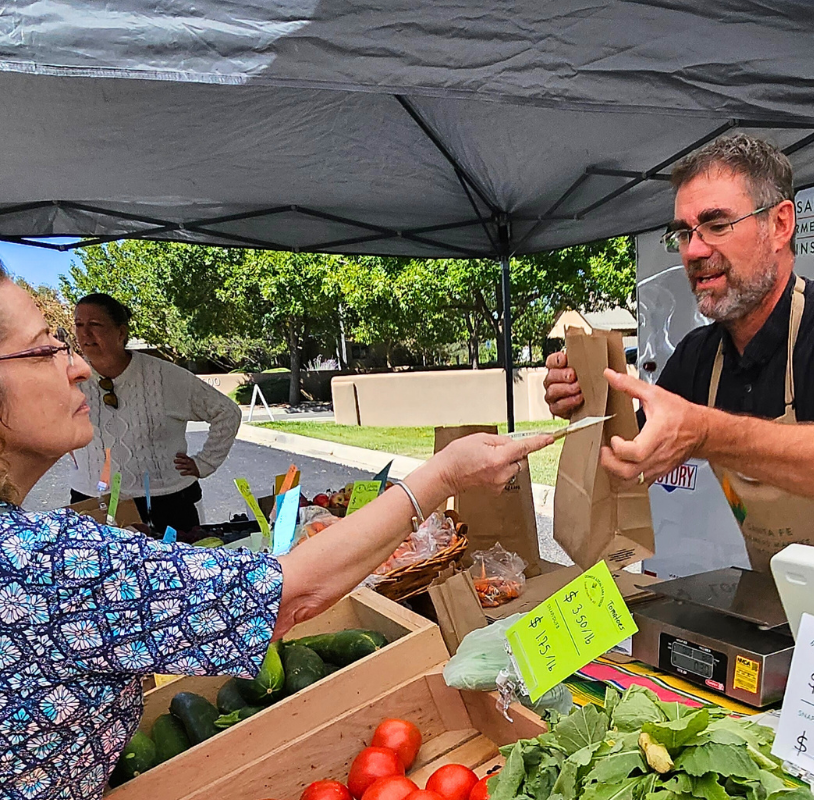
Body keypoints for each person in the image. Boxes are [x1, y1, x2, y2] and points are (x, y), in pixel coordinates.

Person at [0, 267, 551, 799]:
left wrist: (202, 463)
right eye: (45, 347)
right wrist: (444, 475)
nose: (75, 364)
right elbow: (287, 596)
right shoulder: (43, 561)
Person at [544, 133, 814, 572]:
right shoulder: (698, 358)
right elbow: (632, 458)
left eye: (717, 225)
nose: (695, 251)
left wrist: (707, 432)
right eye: (684, 233)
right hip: (785, 608)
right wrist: (587, 399)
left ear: (780, 225)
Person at [71, 293, 242, 533]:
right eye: (79, 325)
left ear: (121, 332)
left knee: (175, 570)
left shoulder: (164, 377)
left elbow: (227, 412)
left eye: (95, 325)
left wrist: (204, 463)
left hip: (167, 502)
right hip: (92, 501)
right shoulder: (69, 379)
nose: (85, 334)